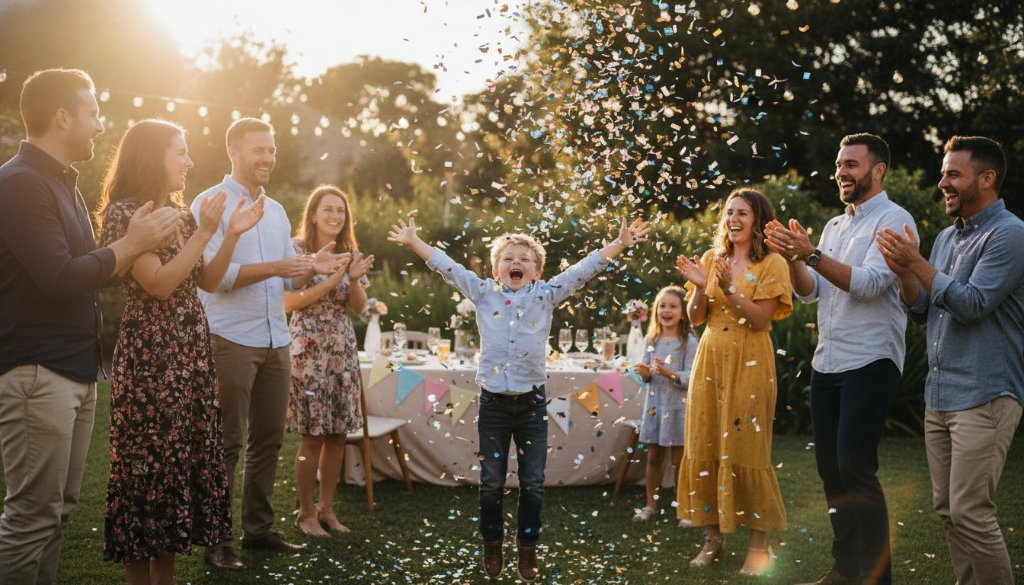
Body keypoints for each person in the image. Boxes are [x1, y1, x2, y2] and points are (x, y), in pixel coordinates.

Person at [388, 216, 650, 582]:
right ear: (497, 270)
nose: (517, 261)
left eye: (525, 258)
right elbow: (449, 267)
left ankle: (527, 548)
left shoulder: (546, 295)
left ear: (537, 271)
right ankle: (492, 542)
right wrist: (416, 241)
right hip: (494, 405)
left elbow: (582, 270)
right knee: (492, 482)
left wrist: (618, 245)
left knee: (533, 482)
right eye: (509, 257)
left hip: (531, 405)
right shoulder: (482, 293)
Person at [0, 69, 184, 585]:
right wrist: (132, 243)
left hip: (75, 370)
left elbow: (91, 266)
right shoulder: (19, 183)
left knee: (57, 514)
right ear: (63, 117)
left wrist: (134, 245)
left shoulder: (63, 184)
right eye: (93, 113)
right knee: (31, 519)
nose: (100, 125)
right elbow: (60, 276)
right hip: (37, 370)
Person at [96, 119, 265, 584]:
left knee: (176, 469)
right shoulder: (124, 213)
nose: (189, 162)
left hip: (189, 352)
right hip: (152, 356)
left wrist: (228, 234)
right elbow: (159, 285)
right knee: (147, 470)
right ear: (154, 157)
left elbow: (206, 281)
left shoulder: (183, 215)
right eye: (181, 152)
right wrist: (202, 232)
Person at [764, 133, 918, 585]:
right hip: (827, 362)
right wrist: (795, 258)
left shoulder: (895, 219)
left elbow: (870, 283)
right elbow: (810, 292)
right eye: (838, 165)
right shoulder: (834, 226)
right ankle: (845, 569)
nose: (841, 173)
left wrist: (808, 252)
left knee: (855, 467)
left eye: (851, 164)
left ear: (878, 170)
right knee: (831, 470)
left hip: (871, 361)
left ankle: (876, 577)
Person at [192, 118, 343, 570]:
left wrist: (311, 267)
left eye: (272, 150)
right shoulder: (209, 203)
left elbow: (285, 276)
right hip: (230, 338)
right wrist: (282, 265)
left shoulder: (276, 211)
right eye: (259, 149)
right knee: (228, 442)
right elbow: (216, 280)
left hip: (277, 338)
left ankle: (257, 531)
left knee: (269, 441)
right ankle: (216, 542)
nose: (268, 158)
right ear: (233, 151)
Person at [876, 136, 1023, 585]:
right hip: (940, 395)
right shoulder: (944, 238)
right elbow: (922, 308)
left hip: (986, 393)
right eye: (944, 174)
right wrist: (904, 272)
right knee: (948, 510)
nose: (943, 183)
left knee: (970, 511)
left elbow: (973, 303)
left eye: (953, 174)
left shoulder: (1011, 234)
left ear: (987, 178)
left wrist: (915, 263)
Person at [675, 188, 792, 577]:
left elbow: (760, 319)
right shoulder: (713, 258)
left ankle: (760, 546)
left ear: (758, 219)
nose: (733, 219)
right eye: (729, 213)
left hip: (750, 359)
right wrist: (697, 284)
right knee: (705, 440)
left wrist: (726, 288)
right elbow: (695, 318)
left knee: (748, 447)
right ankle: (713, 538)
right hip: (710, 357)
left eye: (742, 213)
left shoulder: (773, 263)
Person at [283, 185, 374, 537]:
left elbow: (358, 306)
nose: (335, 215)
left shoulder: (352, 253)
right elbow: (290, 291)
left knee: (337, 435)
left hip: (341, 349)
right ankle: (305, 513)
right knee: (312, 437)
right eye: (328, 209)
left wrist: (351, 279)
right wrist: (316, 268)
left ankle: (327, 510)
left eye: (341, 210)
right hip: (308, 347)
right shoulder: (296, 248)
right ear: (314, 214)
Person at [631, 285, 698, 523]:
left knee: (679, 461)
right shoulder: (652, 339)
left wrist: (670, 374)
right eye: (662, 305)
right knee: (653, 457)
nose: (666, 310)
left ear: (683, 312)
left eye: (673, 306)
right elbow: (646, 372)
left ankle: (684, 508)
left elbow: (693, 375)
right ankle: (651, 504)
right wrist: (645, 372)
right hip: (655, 406)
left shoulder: (688, 342)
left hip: (678, 408)